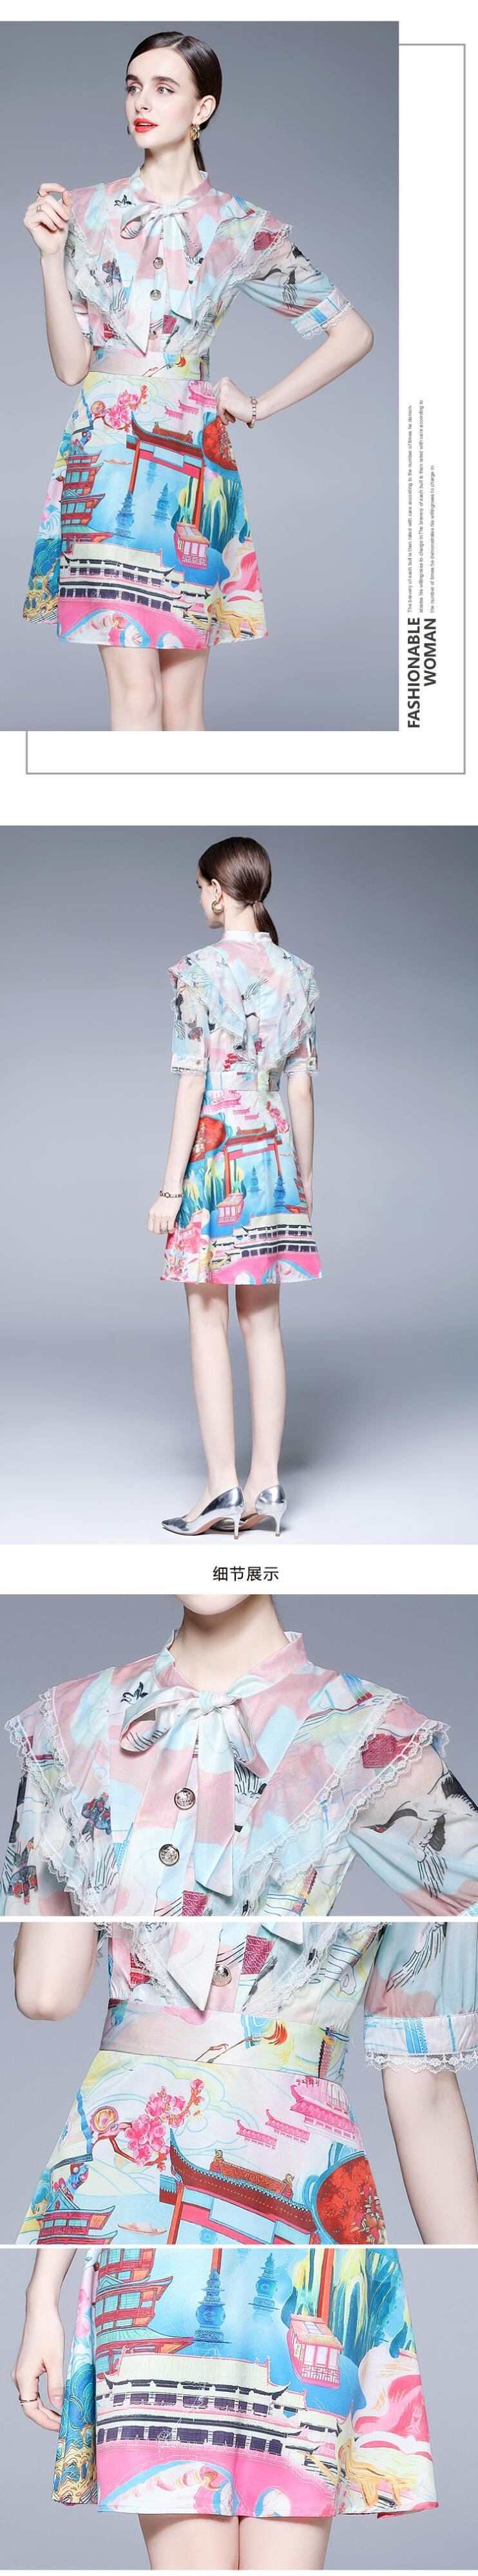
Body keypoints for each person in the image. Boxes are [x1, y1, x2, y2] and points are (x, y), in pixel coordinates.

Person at [23, 29, 373, 732]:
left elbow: (352, 334)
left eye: (164, 88)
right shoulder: (83, 212)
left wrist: (258, 405)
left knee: (184, 708)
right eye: (133, 87)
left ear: (202, 108)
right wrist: (50, 259)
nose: (141, 103)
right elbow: (71, 368)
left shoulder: (241, 228)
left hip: (192, 466)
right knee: (135, 697)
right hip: (106, 457)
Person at [147, 835, 321, 1535]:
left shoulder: (196, 971)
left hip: (217, 1156)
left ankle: (222, 1486)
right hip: (274, 1157)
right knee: (265, 1323)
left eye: (200, 888)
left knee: (206, 1317)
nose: (200, 899)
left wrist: (169, 1189)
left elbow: (193, 1083)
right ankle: (266, 1486)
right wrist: (302, 1178)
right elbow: (301, 1088)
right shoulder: (300, 973)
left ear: (218, 890)